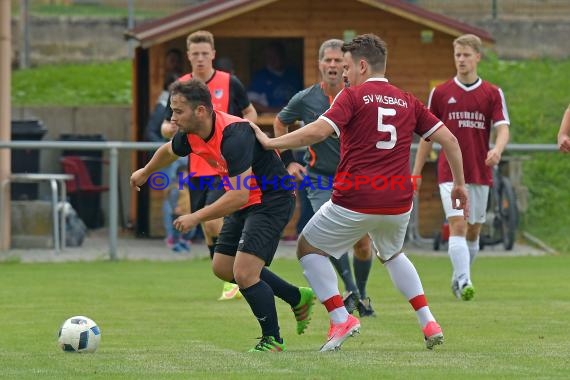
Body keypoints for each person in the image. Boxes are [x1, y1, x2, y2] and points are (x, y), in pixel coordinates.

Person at [251, 33, 468, 352]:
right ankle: (428, 321)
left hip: (357, 196)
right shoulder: (408, 100)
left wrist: (271, 143)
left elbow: (317, 131)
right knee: (392, 254)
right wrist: (460, 184)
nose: (344, 73)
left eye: (348, 66)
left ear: (363, 66)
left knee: (308, 249)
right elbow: (450, 140)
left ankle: (341, 317)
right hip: (397, 199)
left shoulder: (352, 97)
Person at [131, 79, 315, 352]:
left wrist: (195, 217)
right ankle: (296, 296)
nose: (173, 118)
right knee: (223, 268)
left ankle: (273, 339)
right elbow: (169, 151)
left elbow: (239, 195)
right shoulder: (192, 132)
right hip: (245, 202)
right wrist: (145, 172)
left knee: (244, 273)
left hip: (271, 200)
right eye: (172, 111)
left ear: (201, 111)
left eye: (178, 111)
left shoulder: (234, 135)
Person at [274, 38, 375, 318]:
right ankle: (352, 291)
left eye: (337, 61)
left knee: (363, 244)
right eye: (327, 60)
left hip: (355, 178)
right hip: (319, 179)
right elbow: (280, 122)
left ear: (346, 65)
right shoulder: (306, 98)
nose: (332, 66)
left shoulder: (358, 96)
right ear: (319, 64)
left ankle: (362, 294)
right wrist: (289, 161)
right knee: (332, 234)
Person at [412, 34, 510, 301]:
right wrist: (416, 172)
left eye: (466, 54)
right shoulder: (441, 93)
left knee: (474, 229)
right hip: (450, 174)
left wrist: (497, 149)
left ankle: (459, 276)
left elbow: (503, 128)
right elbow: (427, 135)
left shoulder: (492, 93)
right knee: (457, 225)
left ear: (477, 56)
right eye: (458, 55)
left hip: (480, 172)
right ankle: (465, 280)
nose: (461, 60)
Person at [162, 30, 258, 300]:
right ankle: (226, 273)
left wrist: (246, 129)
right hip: (196, 168)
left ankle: (233, 278)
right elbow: (164, 123)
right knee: (206, 226)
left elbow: (249, 111)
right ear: (189, 56)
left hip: (224, 166)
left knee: (214, 221)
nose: (201, 59)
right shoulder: (180, 87)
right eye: (196, 54)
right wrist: (169, 129)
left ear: (213, 54)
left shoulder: (230, 83)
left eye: (206, 53)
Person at [145, 70, 193, 252]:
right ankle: (172, 236)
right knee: (172, 194)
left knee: (185, 193)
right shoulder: (162, 106)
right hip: (171, 158)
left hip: (185, 155)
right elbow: (152, 131)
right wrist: (166, 149)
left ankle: (185, 235)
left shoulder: (187, 105)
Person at [247, 41, 303, 114]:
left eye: (275, 55)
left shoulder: (294, 74)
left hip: (294, 117)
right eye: (269, 57)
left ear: (282, 56)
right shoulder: (261, 77)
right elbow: (251, 102)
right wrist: (273, 111)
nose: (272, 59)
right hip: (270, 118)